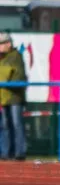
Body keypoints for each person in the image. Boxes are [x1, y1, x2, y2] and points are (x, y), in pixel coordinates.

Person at [0, 33, 26, 161]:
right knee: (5, 125)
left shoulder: (16, 56)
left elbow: (17, 75)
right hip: (3, 97)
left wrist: (5, 81)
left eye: (1, 43)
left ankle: (19, 152)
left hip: (14, 97)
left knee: (16, 124)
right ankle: (6, 152)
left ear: (8, 44)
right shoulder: (1, 58)